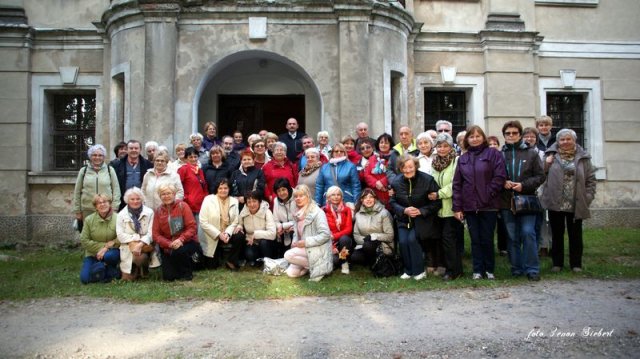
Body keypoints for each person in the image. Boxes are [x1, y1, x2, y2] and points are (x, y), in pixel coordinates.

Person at [452, 126, 506, 280]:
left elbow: (500, 177)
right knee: (475, 239)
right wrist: (457, 207)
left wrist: (487, 193)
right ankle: (477, 270)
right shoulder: (463, 158)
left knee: (487, 238)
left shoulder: (493, 154)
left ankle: (489, 270)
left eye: (478, 136)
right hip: (470, 206)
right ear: (467, 139)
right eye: (471, 136)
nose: (474, 139)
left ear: (483, 137)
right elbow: (457, 184)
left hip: (489, 205)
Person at [540, 129, 596, 273]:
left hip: (576, 202)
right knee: (557, 234)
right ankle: (557, 264)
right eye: (562, 140)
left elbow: (591, 180)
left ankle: (576, 264)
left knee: (575, 235)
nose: (565, 142)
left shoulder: (583, 157)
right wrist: (546, 163)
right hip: (555, 201)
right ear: (558, 141)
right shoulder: (550, 155)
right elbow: (541, 175)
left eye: (568, 139)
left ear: (574, 140)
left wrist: (588, 197)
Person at [499, 120, 545, 281]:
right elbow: (494, 176)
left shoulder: (531, 153)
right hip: (506, 201)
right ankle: (516, 268)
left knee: (528, 233)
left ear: (520, 134)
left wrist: (523, 185)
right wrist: (502, 182)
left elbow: (540, 176)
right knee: (512, 236)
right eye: (508, 133)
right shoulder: (500, 154)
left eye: (514, 133)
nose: (511, 136)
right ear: (504, 135)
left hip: (527, 199)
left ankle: (532, 269)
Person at [390, 154, 442, 280]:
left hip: (422, 220)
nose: (407, 170)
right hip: (403, 219)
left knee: (412, 240)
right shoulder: (396, 182)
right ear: (400, 168)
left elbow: (437, 202)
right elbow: (392, 202)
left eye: (410, 167)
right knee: (402, 242)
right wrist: (404, 210)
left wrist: (421, 211)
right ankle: (408, 270)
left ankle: (419, 271)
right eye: (404, 167)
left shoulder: (427, 180)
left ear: (416, 166)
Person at [429, 133, 463, 281]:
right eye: (439, 146)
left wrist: (439, 193)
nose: (442, 149)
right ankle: (448, 268)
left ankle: (454, 271)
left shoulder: (457, 160)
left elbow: (456, 183)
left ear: (451, 147)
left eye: (445, 146)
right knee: (441, 240)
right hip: (437, 208)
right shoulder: (434, 162)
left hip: (451, 207)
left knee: (450, 240)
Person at [284, 184, 333, 282]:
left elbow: (326, 235)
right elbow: (296, 233)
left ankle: (320, 266)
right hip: (304, 248)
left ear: (308, 196)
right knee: (291, 273)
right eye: (296, 196)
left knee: (288, 255)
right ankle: (308, 268)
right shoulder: (297, 213)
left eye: (301, 196)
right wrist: (295, 243)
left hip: (318, 249)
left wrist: (306, 242)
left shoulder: (317, 212)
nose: (298, 199)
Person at [152, 183, 199, 281]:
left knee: (180, 251)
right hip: (168, 245)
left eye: (169, 193)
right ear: (160, 196)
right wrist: (168, 243)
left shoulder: (183, 206)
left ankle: (187, 273)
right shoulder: (158, 211)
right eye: (163, 194)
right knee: (168, 277)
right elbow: (156, 234)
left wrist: (181, 239)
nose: (166, 196)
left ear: (174, 194)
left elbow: (192, 227)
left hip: (186, 242)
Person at [199, 178, 244, 270]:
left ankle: (231, 260)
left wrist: (227, 233)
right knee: (211, 267)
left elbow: (235, 221)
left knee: (239, 235)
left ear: (229, 189)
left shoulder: (234, 201)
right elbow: (203, 222)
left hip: (227, 233)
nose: (223, 190)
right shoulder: (208, 199)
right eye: (220, 188)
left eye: (225, 188)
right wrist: (219, 234)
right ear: (216, 189)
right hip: (213, 235)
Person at [116, 187, 160, 281]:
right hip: (128, 246)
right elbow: (120, 235)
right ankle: (134, 269)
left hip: (145, 245)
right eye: (132, 199)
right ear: (127, 200)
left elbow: (151, 233)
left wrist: (140, 244)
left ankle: (144, 268)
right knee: (127, 279)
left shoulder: (149, 212)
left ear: (142, 199)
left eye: (138, 199)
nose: (135, 201)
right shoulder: (121, 214)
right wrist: (135, 241)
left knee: (140, 258)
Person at [74, 144, 121, 225]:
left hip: (106, 209)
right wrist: (77, 210)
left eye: (100, 155)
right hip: (88, 209)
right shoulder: (83, 170)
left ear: (103, 157)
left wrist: (115, 207)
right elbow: (77, 191)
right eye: (94, 155)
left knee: (105, 234)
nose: (97, 157)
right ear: (90, 156)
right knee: (89, 233)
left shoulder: (110, 170)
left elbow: (116, 190)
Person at [79, 194, 120, 284]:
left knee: (109, 256)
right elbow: (84, 240)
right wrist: (102, 247)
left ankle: (108, 267)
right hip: (93, 253)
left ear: (109, 203)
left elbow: (121, 237)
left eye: (105, 202)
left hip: (111, 252)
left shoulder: (118, 218)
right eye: (99, 203)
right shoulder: (89, 220)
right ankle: (111, 272)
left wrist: (106, 248)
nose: (102, 204)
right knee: (85, 279)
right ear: (96, 207)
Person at [351, 189, 394, 267]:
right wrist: (366, 240)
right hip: (365, 244)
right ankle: (373, 262)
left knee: (368, 245)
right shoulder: (358, 215)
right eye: (365, 197)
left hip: (383, 245)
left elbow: (390, 236)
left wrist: (373, 237)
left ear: (375, 199)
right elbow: (356, 235)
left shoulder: (384, 213)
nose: (368, 199)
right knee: (355, 257)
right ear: (362, 200)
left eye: (371, 197)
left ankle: (379, 263)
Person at [235, 190, 277, 266]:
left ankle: (268, 261)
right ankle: (258, 260)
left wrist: (256, 234)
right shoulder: (244, 212)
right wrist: (239, 226)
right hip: (251, 242)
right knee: (249, 255)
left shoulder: (267, 212)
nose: (252, 204)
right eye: (249, 202)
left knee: (264, 243)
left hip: (266, 242)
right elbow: (240, 223)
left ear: (260, 202)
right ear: (246, 203)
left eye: (254, 201)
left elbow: (272, 234)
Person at [315, 143, 361, 209]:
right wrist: (318, 202)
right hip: (328, 201)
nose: (339, 153)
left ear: (344, 153)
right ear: (332, 153)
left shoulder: (351, 166)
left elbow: (355, 186)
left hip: (346, 200)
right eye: (336, 151)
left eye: (341, 151)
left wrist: (356, 202)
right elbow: (319, 186)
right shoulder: (324, 167)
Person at [113, 139, 153, 211]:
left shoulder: (148, 165)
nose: (133, 150)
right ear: (127, 150)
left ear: (140, 150)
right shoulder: (117, 165)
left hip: (141, 202)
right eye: (131, 148)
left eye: (136, 148)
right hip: (123, 203)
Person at [322, 186, 354, 275]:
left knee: (345, 239)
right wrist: (332, 246)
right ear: (328, 197)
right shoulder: (323, 211)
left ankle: (344, 263)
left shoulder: (347, 209)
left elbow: (348, 229)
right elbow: (322, 231)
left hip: (344, 243)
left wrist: (334, 236)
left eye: (338, 195)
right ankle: (340, 260)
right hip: (329, 243)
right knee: (335, 261)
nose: (336, 197)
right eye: (333, 195)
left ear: (341, 197)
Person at [362, 133, 394, 208]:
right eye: (381, 142)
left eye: (386, 143)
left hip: (389, 191)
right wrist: (376, 183)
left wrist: (382, 182)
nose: (383, 145)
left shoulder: (394, 157)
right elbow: (367, 175)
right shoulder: (372, 158)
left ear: (390, 145)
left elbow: (395, 172)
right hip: (375, 192)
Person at [272, 178, 296, 257]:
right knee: (275, 233)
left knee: (293, 232)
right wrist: (280, 227)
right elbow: (275, 220)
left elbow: (299, 219)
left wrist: (284, 226)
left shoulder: (296, 197)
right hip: (283, 229)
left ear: (288, 189)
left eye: (283, 189)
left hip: (295, 227)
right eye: (278, 191)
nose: (281, 193)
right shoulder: (276, 201)